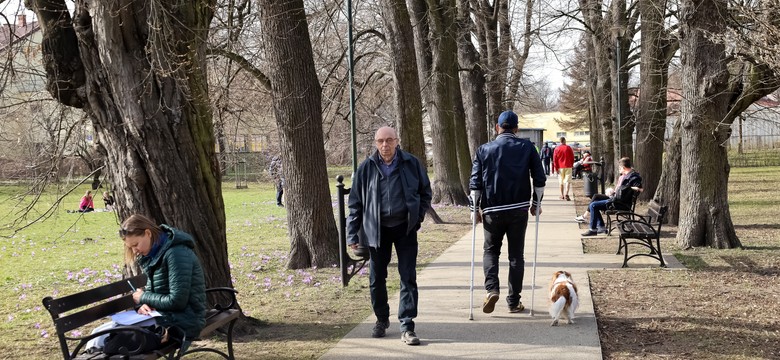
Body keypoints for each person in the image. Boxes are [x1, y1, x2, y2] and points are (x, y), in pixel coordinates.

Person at [346, 126, 432, 346]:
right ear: (375, 143)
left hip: (405, 229)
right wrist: (352, 234)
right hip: (377, 231)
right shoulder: (366, 168)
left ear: (397, 141)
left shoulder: (411, 163)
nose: (385, 145)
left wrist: (417, 217)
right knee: (376, 279)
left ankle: (407, 325)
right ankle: (381, 319)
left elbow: (425, 192)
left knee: (408, 277)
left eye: (389, 140)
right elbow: (355, 203)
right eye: (380, 141)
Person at [469, 110, 546, 314]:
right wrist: (536, 204)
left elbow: (475, 183)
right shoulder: (528, 147)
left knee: (491, 251)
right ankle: (513, 301)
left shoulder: (484, 149)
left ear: (497, 128)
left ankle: (492, 289)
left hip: (492, 210)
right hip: (518, 209)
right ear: (516, 129)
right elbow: (540, 179)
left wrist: (474, 209)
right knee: (516, 256)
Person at [120, 214, 207, 351]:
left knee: (105, 338)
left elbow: (177, 301)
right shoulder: (155, 254)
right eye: (130, 247)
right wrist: (144, 305)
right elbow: (157, 292)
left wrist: (142, 297)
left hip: (184, 321)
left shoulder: (175, 254)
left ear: (147, 233)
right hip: (167, 317)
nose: (134, 250)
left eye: (135, 244)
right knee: (103, 334)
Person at [581, 157, 643, 236]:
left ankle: (593, 229)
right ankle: (600, 227)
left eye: (620, 168)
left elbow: (640, 189)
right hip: (617, 200)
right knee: (595, 202)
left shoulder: (633, 177)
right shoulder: (627, 175)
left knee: (593, 205)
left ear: (623, 167)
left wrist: (626, 188)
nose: (619, 170)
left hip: (621, 203)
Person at [552, 137, 575, 201]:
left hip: (560, 167)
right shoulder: (568, 148)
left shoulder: (557, 148)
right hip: (568, 166)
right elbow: (572, 157)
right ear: (564, 141)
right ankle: (566, 194)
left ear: (560, 141)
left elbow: (555, 159)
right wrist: (572, 164)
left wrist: (556, 168)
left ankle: (562, 195)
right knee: (568, 181)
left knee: (561, 182)